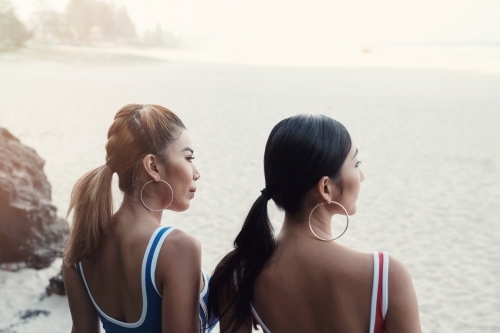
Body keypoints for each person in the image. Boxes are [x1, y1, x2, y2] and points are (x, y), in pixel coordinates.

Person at [207, 114, 422, 333]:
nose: (362, 176)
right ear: (325, 188)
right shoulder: (385, 276)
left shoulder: (240, 274)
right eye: (356, 164)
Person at [62, 104, 214, 333]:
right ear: (153, 166)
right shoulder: (177, 249)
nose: (196, 172)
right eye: (189, 157)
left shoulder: (78, 251)